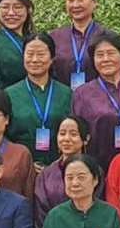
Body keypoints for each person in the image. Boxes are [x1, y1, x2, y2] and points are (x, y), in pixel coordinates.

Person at [69, 31, 120, 171]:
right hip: (96, 168)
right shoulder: (82, 94)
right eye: (99, 55)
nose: (105, 59)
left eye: (111, 53)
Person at [5, 33, 72, 167]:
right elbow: (2, 135)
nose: (35, 60)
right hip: (20, 166)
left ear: (52, 58)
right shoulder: (9, 94)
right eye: (30, 54)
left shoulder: (67, 93)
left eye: (41, 54)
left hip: (60, 167)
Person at [48, 0, 111, 89]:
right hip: (62, 99)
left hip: (99, 100)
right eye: (71, 0)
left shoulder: (107, 36)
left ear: (94, 1)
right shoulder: (54, 37)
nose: (75, 4)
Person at [33, 116, 89, 228]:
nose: (66, 139)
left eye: (73, 134)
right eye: (62, 133)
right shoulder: (45, 175)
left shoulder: (94, 171)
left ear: (86, 139)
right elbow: (40, 212)